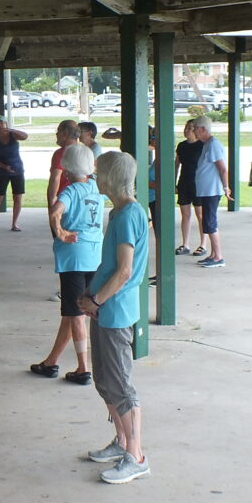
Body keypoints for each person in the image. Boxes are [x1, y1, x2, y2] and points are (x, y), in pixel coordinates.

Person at [78, 151, 150, 484]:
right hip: (106, 310)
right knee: (105, 380)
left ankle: (136, 456)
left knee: (120, 385)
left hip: (115, 310)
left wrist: (95, 299)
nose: (95, 178)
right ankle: (122, 442)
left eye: (99, 173)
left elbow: (124, 271)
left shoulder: (127, 216)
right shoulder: (119, 212)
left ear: (110, 178)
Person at [30, 145, 103, 383]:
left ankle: (83, 368)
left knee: (77, 313)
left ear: (68, 170)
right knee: (72, 312)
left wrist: (60, 232)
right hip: (95, 257)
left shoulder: (71, 192)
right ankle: (51, 362)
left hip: (74, 259)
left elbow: (54, 213)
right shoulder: (96, 188)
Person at [47, 120, 83, 301]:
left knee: (64, 246)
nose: (56, 134)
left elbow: (55, 178)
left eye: (58, 131)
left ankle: (67, 291)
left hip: (65, 205)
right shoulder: (85, 152)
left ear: (66, 134)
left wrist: (52, 205)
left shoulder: (62, 153)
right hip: (82, 205)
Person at [192, 115, 232, 268]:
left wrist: (225, 187)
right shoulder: (207, 144)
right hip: (205, 190)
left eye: (195, 128)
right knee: (208, 222)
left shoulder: (214, 144)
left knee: (210, 222)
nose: (194, 131)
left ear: (202, 129)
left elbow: (222, 168)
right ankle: (213, 254)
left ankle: (218, 257)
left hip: (212, 191)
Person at [173, 119, 206, 256]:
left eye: (189, 128)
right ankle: (185, 244)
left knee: (200, 215)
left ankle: (203, 244)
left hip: (198, 184)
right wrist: (173, 182)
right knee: (185, 214)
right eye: (185, 128)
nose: (186, 130)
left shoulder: (202, 146)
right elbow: (177, 164)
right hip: (184, 182)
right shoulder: (181, 146)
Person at [0, 118, 28, 232]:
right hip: (2, 171)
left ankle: (14, 223)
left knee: (17, 197)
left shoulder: (13, 136)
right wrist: (4, 166)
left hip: (18, 170)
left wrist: (11, 130)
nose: (0, 125)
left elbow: (25, 136)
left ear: (6, 123)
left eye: (2, 123)